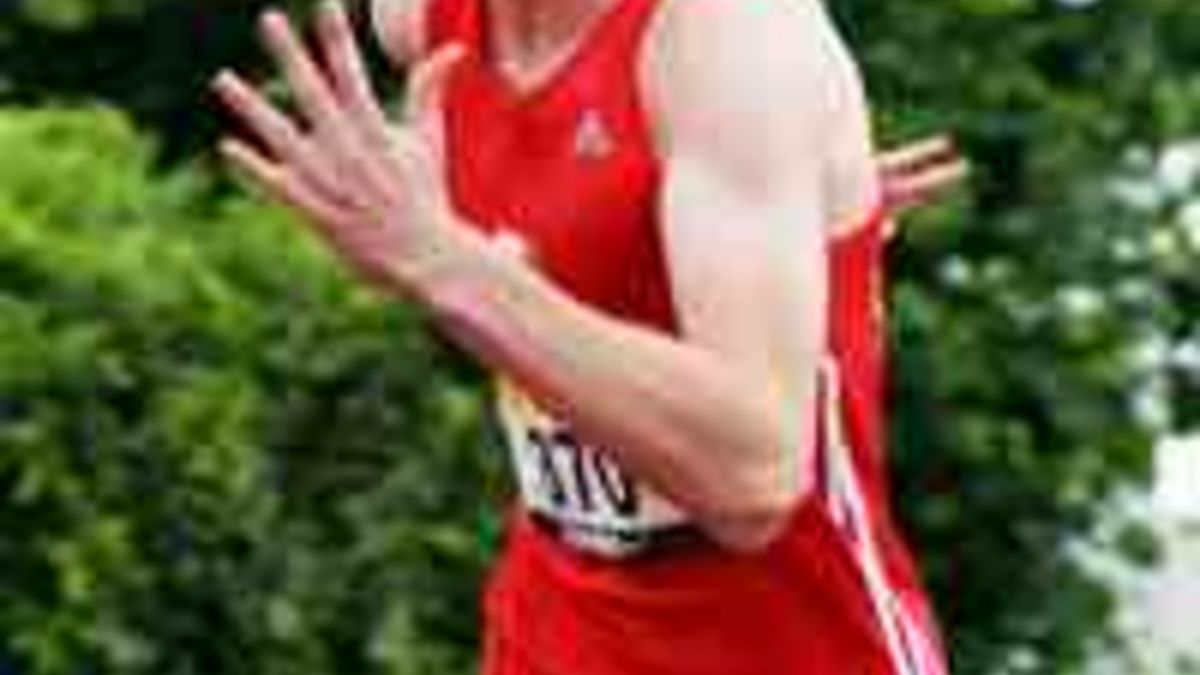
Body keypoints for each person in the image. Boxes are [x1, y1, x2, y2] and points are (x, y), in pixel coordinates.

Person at [211, 0, 966, 672]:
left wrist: (444, 261)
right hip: (554, 625)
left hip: (792, 642)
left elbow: (754, 476)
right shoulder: (416, 19)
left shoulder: (734, 43)